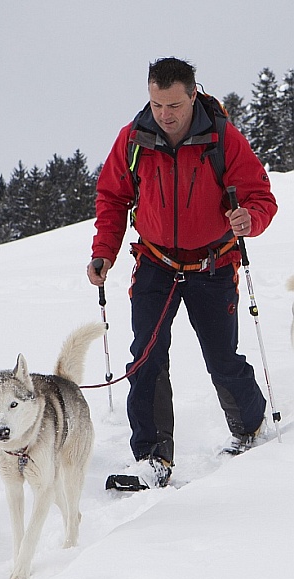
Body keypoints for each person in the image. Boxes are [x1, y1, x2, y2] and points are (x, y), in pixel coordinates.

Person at [87, 57, 277, 488]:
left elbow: (261, 197)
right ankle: (152, 457)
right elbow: (112, 198)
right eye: (156, 104)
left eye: (173, 105)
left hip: (213, 264)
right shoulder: (134, 138)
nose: (164, 114)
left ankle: (248, 428)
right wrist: (104, 252)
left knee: (222, 359)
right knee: (147, 359)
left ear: (193, 95)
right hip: (156, 263)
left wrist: (250, 218)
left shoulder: (223, 139)